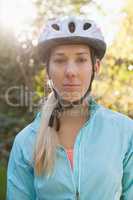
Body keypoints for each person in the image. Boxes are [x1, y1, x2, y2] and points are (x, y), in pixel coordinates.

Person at [7, 16, 133, 200]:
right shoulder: (26, 142)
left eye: (81, 60)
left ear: (96, 67)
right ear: (48, 69)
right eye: (59, 60)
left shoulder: (125, 131)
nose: (70, 72)